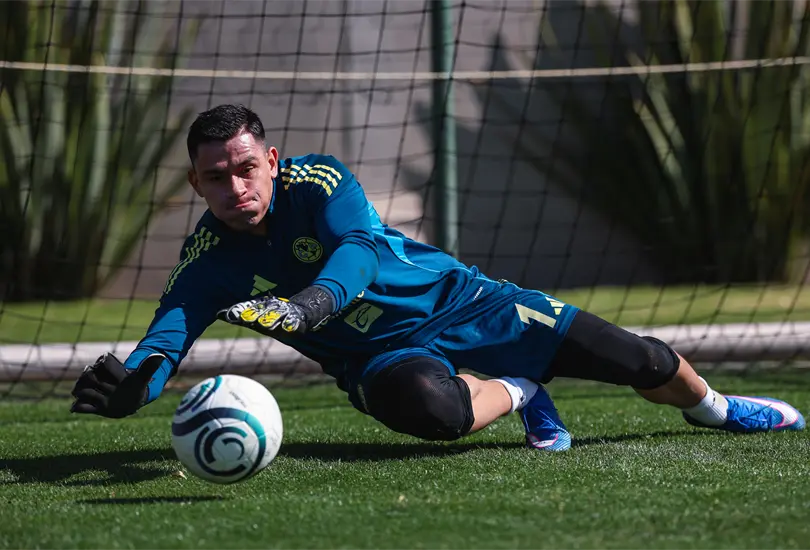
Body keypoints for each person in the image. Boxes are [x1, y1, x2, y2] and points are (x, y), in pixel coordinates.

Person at [69, 104, 805, 451]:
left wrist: (309, 306)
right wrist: (142, 380)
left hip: (465, 302)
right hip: (379, 357)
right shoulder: (207, 261)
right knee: (432, 414)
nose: (234, 186)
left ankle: (716, 408)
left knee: (641, 360)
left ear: (272, 160)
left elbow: (355, 252)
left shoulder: (320, 181)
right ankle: (519, 390)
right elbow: (170, 329)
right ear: (197, 187)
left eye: (245, 167)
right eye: (215, 178)